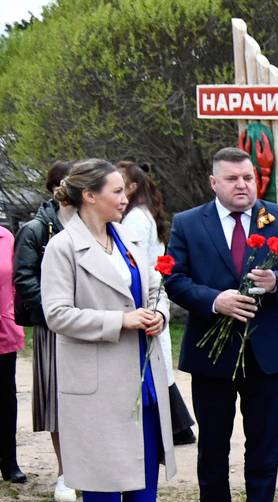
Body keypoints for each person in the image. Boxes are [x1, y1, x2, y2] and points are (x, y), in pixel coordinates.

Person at [165, 147, 278, 502]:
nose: (243, 185)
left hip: (268, 350)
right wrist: (216, 300)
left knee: (263, 443)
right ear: (214, 183)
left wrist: (274, 281)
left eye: (248, 177)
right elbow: (174, 278)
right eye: (232, 179)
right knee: (213, 444)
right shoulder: (189, 223)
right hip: (212, 351)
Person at [40, 159, 175, 502]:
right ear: (89, 196)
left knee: (144, 470)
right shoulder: (62, 248)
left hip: (142, 373)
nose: (126, 197)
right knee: (102, 478)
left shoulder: (127, 241)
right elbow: (57, 314)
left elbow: (156, 289)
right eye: (117, 191)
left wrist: (157, 314)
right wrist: (121, 321)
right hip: (97, 380)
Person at [117, 160, 197, 446]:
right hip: (149, 291)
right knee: (157, 365)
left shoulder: (136, 218)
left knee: (155, 366)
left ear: (132, 187)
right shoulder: (142, 213)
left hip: (147, 293)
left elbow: (133, 259)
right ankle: (179, 427)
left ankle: (174, 427)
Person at [13, 160, 77, 502]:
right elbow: (23, 278)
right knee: (57, 400)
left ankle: (90, 467)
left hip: (88, 322)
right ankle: (65, 472)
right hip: (53, 327)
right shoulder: (37, 228)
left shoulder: (89, 223)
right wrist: (55, 310)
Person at [0, 189, 26, 485]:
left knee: (6, 397)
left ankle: (9, 461)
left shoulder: (4, 236)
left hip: (3, 327)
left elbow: (16, 279)